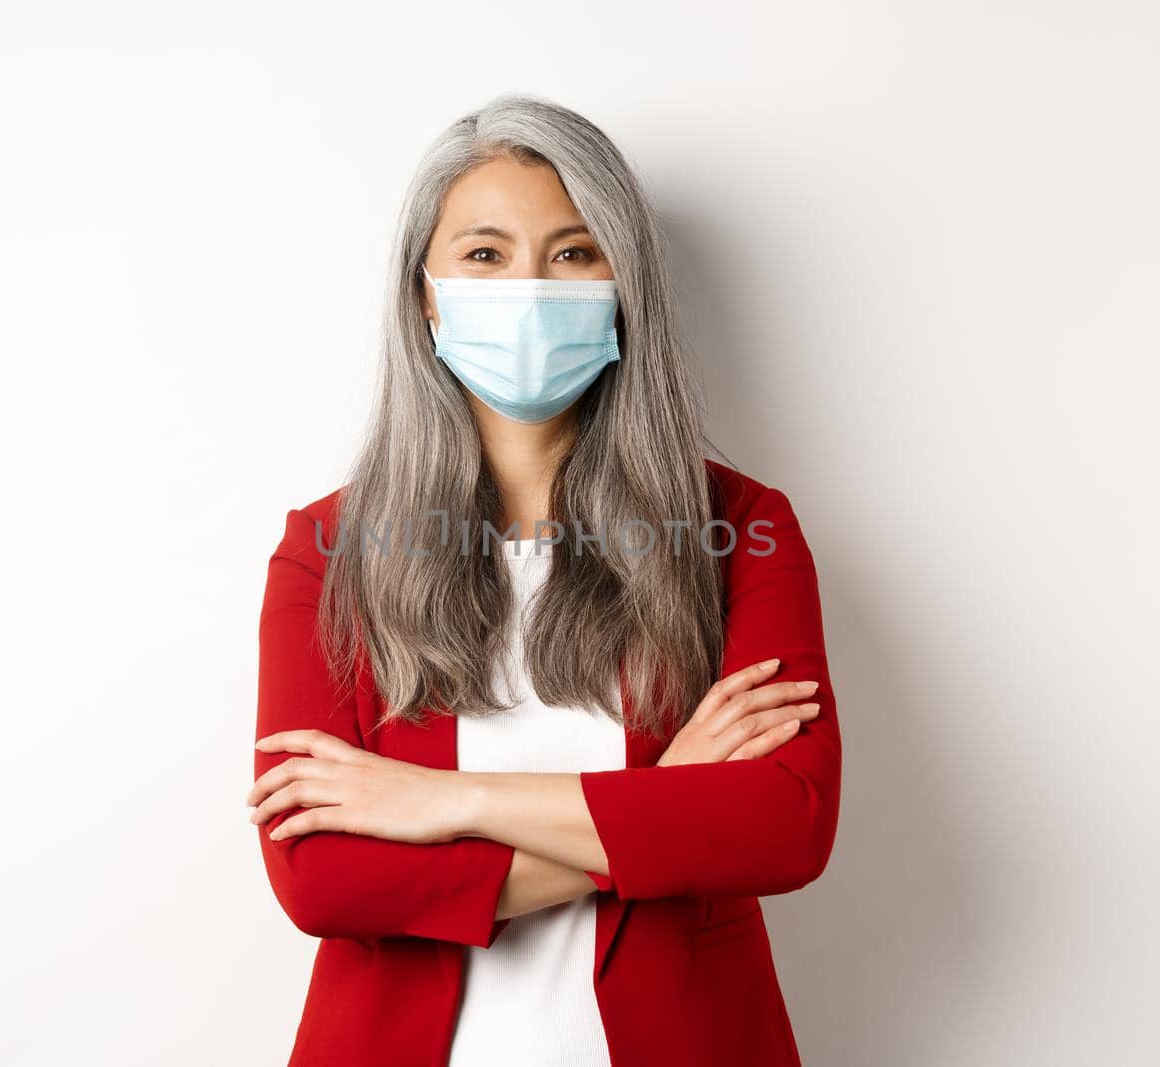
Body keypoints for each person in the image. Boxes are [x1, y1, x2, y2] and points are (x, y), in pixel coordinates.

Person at [245, 93, 842, 1067]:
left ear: (622, 283)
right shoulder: (327, 549)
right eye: (485, 254)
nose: (529, 287)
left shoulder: (740, 528)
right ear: (427, 295)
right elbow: (323, 878)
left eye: (572, 252)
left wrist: (449, 801)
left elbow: (783, 823)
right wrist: (672, 798)